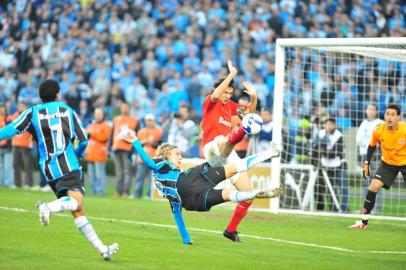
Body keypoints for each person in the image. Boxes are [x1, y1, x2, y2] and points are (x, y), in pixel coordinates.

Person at [0, 79, 119, 260]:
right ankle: (48, 207)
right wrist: (78, 153)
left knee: (76, 210)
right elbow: (84, 139)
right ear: (57, 93)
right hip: (68, 165)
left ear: (41, 96)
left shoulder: (32, 113)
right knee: (77, 202)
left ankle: (103, 249)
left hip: (49, 170)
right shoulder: (68, 111)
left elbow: (11, 130)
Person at [123, 130, 283, 244]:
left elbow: (177, 215)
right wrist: (136, 142)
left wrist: (186, 239)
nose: (180, 156)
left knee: (228, 194)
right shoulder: (162, 163)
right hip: (188, 180)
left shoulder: (166, 187)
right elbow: (150, 163)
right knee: (234, 167)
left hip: (191, 203)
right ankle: (270, 154)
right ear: (166, 155)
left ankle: (254, 194)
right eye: (176, 154)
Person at [201, 60, 258, 242]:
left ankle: (230, 230)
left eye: (230, 93)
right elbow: (217, 94)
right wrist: (231, 74)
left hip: (227, 152)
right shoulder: (210, 102)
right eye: (225, 92)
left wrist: (254, 97)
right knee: (222, 141)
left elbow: (250, 115)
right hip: (211, 148)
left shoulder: (231, 106)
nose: (227, 95)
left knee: (248, 194)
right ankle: (239, 134)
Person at [351, 104, 406, 229]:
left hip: (405, 162)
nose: (389, 117)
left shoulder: (404, 129)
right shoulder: (378, 130)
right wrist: (366, 163)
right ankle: (363, 222)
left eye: (393, 114)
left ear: (398, 117)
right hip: (387, 164)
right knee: (373, 187)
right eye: (387, 114)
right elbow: (371, 146)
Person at [313, 118, 349, 212]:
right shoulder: (320, 134)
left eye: (332, 124)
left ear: (335, 125)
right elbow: (315, 147)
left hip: (339, 165)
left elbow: (336, 152)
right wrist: (321, 150)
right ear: (325, 125)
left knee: (343, 188)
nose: (329, 126)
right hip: (326, 166)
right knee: (331, 190)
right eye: (328, 124)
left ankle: (345, 209)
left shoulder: (339, 136)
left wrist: (322, 151)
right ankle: (334, 209)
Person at [355, 104, 384, 213]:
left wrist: (368, 141)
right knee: (365, 183)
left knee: (377, 183)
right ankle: (366, 208)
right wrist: (369, 139)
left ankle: (377, 208)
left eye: (372, 109)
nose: (370, 111)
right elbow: (358, 140)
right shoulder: (363, 123)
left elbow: (379, 140)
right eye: (368, 109)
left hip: (376, 156)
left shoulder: (380, 123)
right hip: (364, 157)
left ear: (376, 111)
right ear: (366, 111)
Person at [111, 102, 138, 197]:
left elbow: (136, 135)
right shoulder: (116, 119)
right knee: (119, 172)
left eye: (126, 107)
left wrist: (134, 150)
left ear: (129, 109)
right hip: (116, 147)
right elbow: (112, 133)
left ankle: (126, 192)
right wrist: (110, 146)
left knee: (127, 171)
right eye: (123, 107)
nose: (124, 109)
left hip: (127, 149)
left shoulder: (134, 120)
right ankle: (118, 191)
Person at [133, 113, 163, 198]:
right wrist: (146, 141)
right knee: (139, 177)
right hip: (141, 158)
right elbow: (137, 144)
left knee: (152, 179)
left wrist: (152, 143)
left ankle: (149, 194)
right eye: (147, 120)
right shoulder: (140, 131)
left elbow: (160, 145)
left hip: (153, 159)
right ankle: (137, 194)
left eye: (150, 120)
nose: (149, 122)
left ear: (154, 121)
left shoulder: (159, 131)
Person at [85, 108, 112, 196]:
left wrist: (92, 133)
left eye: (99, 114)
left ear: (103, 115)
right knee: (91, 176)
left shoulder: (106, 125)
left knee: (99, 175)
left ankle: (100, 192)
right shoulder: (91, 125)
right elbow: (85, 135)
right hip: (90, 153)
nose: (97, 116)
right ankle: (93, 192)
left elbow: (104, 137)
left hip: (100, 154)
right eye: (96, 114)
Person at [8, 102, 34, 188]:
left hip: (25, 144)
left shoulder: (28, 116)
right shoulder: (15, 115)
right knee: (15, 164)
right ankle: (17, 184)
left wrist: (31, 141)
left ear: (26, 107)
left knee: (27, 165)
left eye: (23, 106)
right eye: (19, 106)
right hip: (16, 143)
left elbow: (32, 130)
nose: (21, 108)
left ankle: (29, 184)